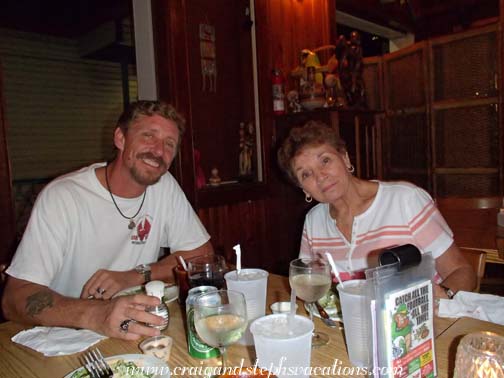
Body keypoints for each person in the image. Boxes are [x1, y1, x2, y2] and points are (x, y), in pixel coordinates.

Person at [2, 100, 214, 340]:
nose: (158, 151)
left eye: (169, 144)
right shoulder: (63, 196)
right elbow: (14, 298)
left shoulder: (164, 187)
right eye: (148, 136)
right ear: (120, 139)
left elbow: (201, 255)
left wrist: (133, 276)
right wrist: (97, 315)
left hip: (130, 330)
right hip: (61, 338)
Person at [277, 120, 476, 298]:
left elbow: (462, 271)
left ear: (345, 159)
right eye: (306, 174)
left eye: (325, 160)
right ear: (303, 188)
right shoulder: (314, 221)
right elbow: (311, 285)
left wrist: (444, 297)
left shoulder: (405, 200)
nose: (321, 176)